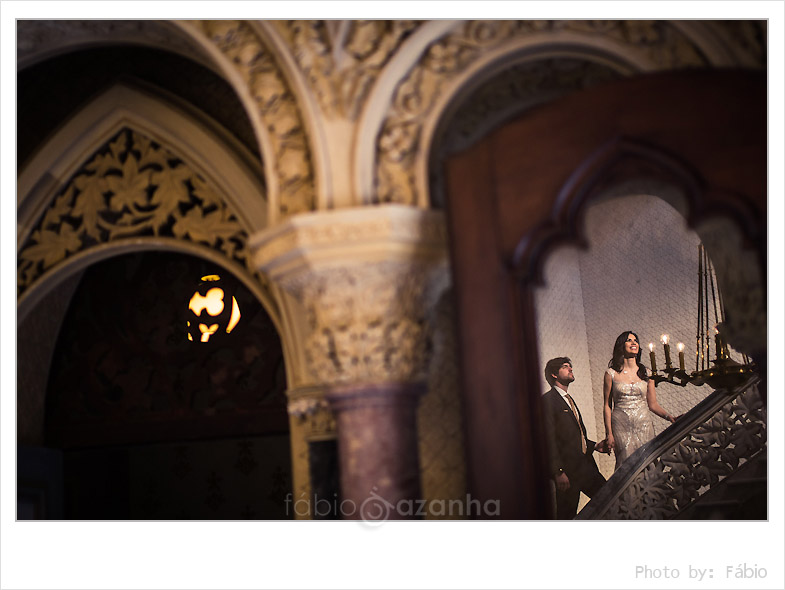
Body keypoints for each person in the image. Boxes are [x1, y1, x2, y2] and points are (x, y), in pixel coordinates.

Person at [543, 357, 610, 520]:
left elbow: (572, 434)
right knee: (566, 516)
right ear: (554, 374)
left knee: (610, 499)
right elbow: (548, 439)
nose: (570, 369)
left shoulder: (568, 399)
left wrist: (594, 446)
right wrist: (558, 472)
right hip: (567, 472)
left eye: (570, 366)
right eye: (565, 367)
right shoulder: (547, 401)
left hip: (586, 466)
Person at [602, 331, 676, 471]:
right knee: (625, 463)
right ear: (621, 346)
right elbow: (607, 405)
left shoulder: (647, 373)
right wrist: (609, 433)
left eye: (635, 340)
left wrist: (669, 417)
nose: (634, 342)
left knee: (648, 461)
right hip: (620, 424)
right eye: (629, 340)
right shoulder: (610, 373)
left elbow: (653, 404)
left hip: (644, 423)